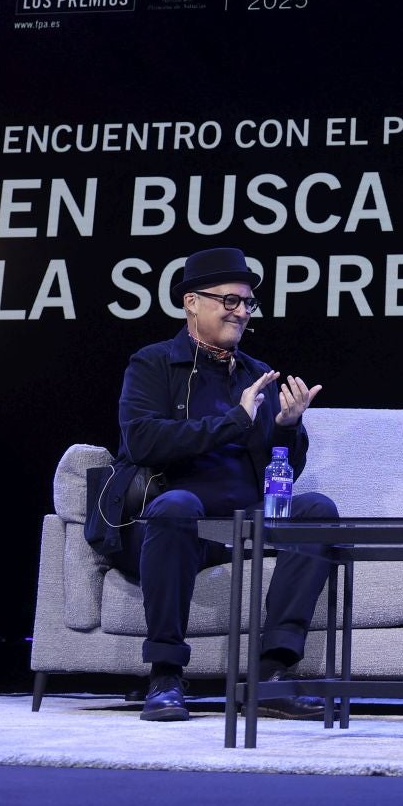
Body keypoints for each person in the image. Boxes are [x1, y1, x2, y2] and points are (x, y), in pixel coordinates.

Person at [87, 245, 334, 721]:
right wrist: (233, 422)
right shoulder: (154, 363)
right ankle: (165, 675)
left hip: (240, 523)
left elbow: (277, 478)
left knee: (316, 509)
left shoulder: (257, 374)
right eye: (230, 301)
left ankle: (272, 673)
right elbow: (142, 441)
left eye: (247, 304)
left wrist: (285, 428)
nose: (241, 312)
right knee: (178, 504)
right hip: (170, 524)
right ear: (191, 302)